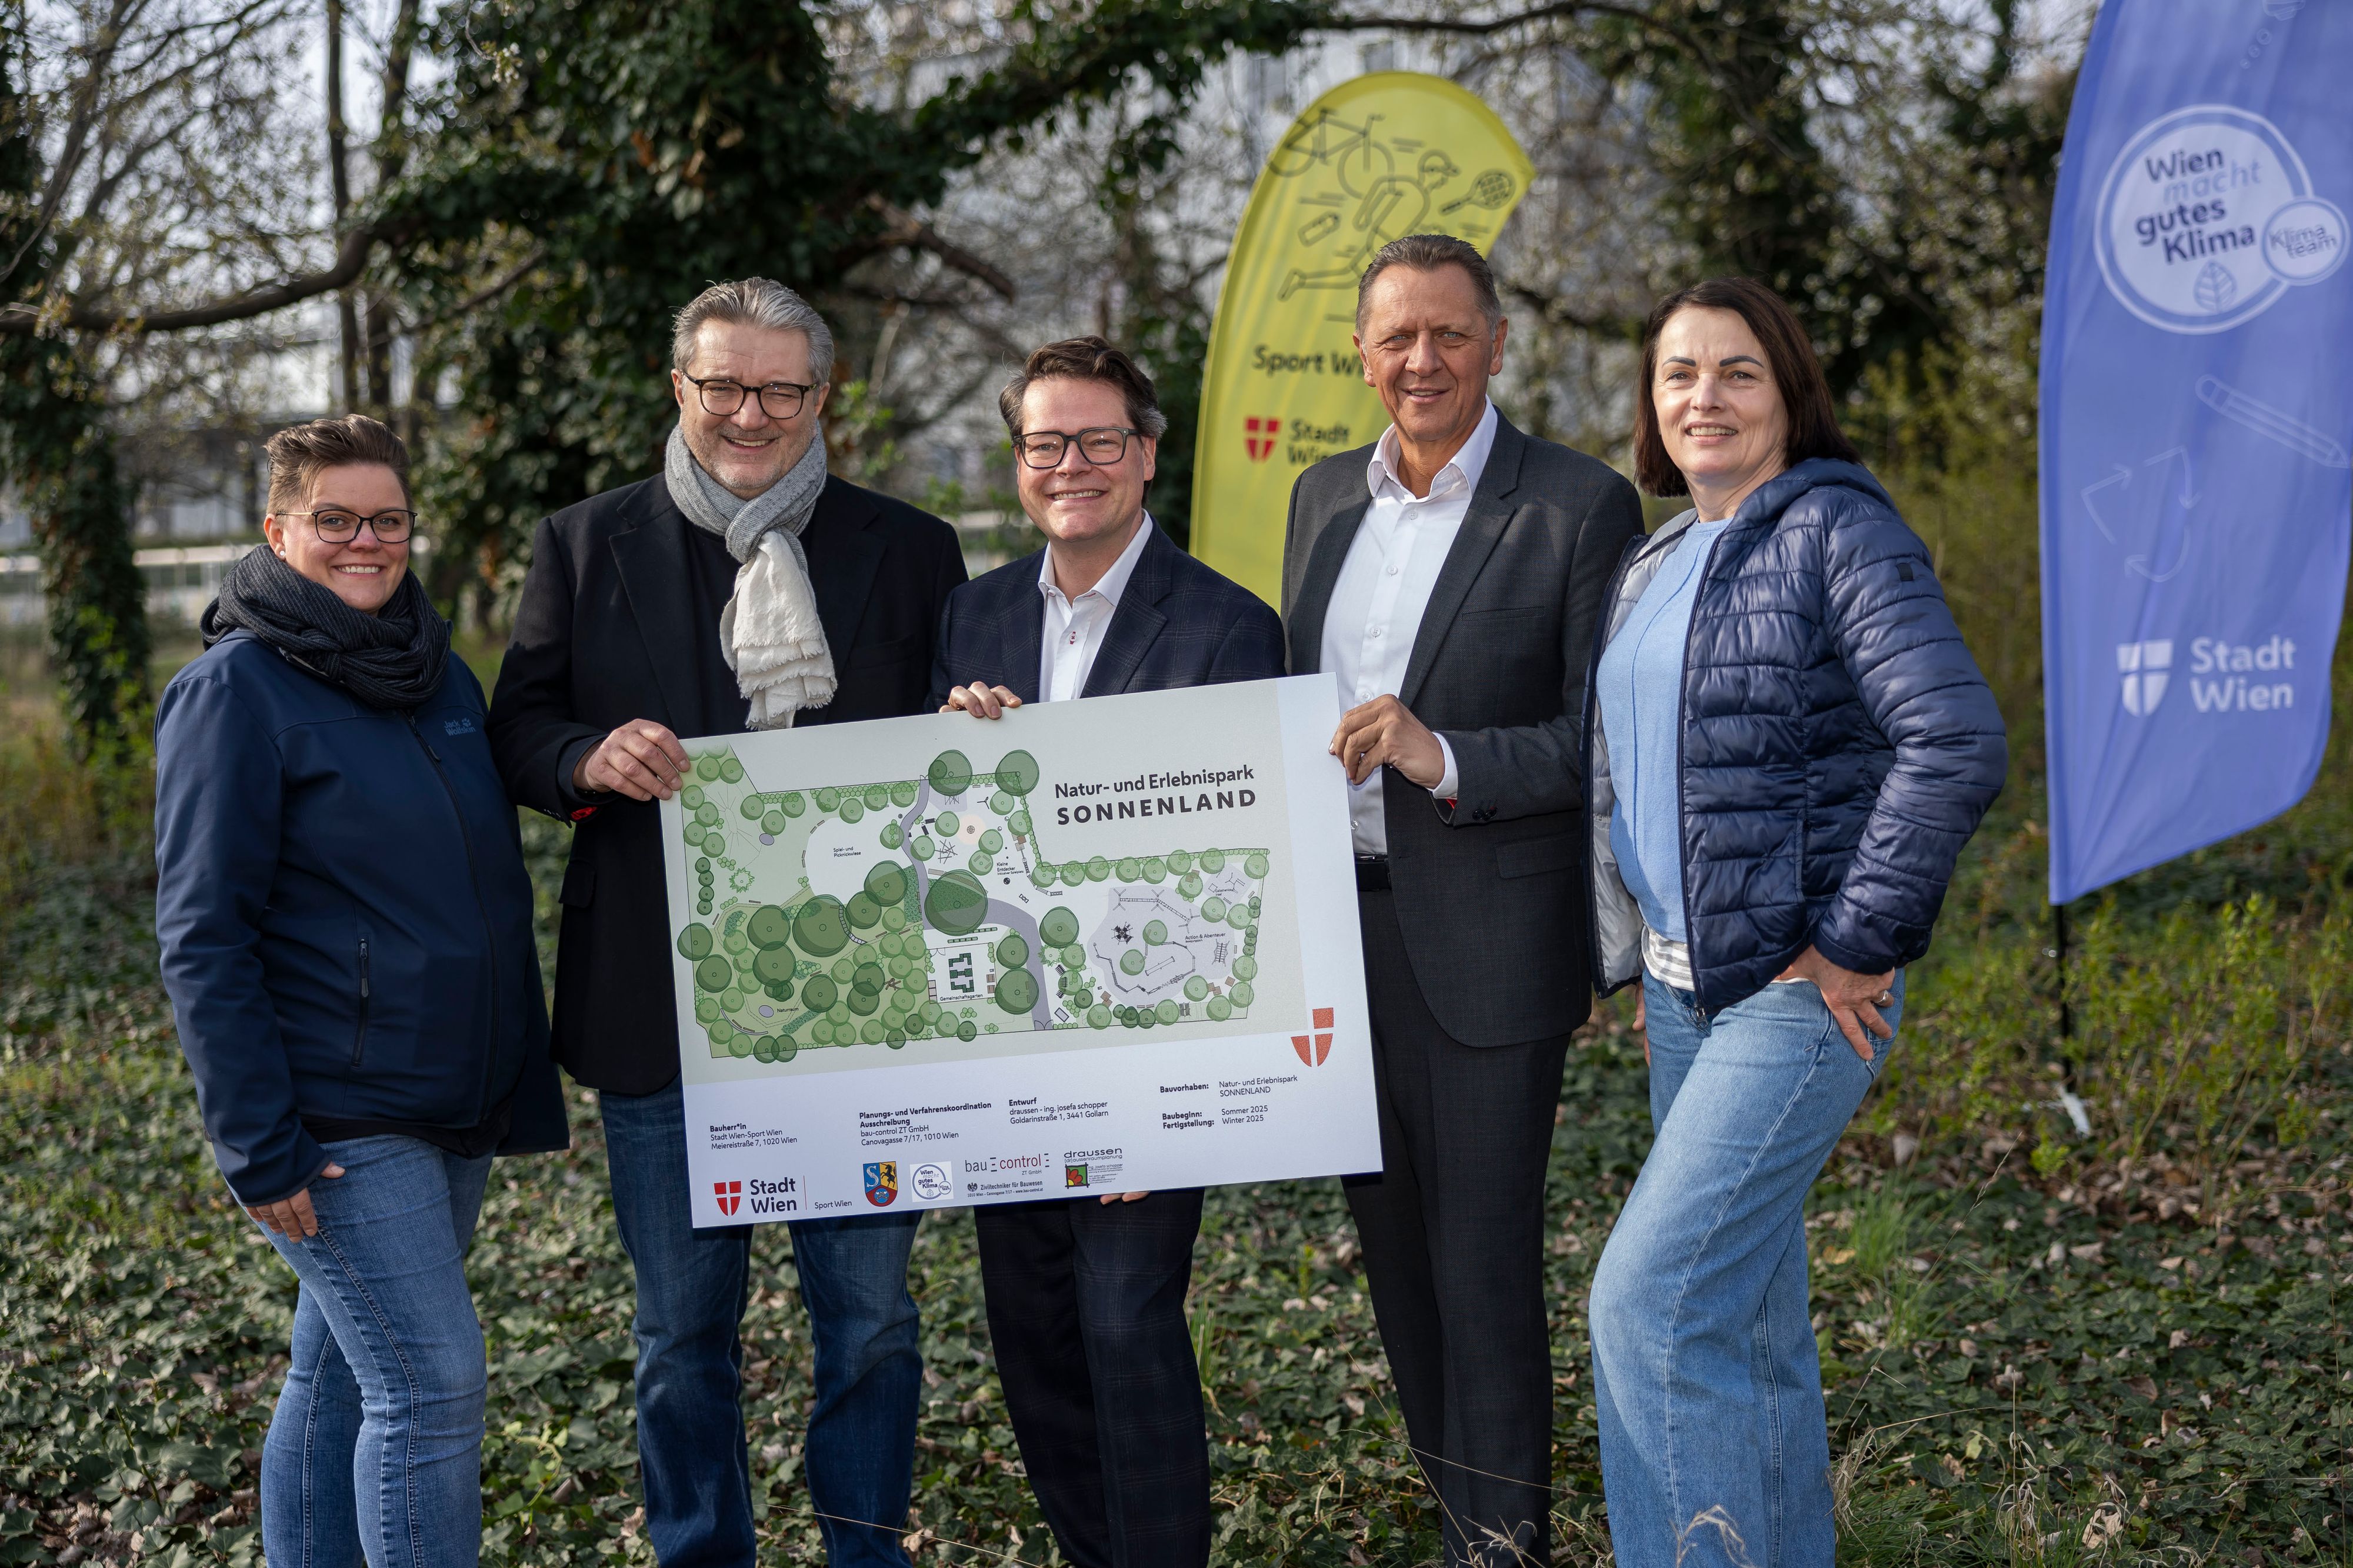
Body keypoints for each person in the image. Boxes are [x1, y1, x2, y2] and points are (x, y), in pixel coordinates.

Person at [487, 279, 966, 1568]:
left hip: (863, 1008)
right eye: (723, 386)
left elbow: (954, 736)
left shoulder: (910, 547)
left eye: (779, 389)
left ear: (822, 396)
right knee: (679, 1331)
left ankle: (864, 1549)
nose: (749, 413)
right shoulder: (584, 543)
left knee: (870, 1323)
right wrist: (586, 756)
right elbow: (517, 730)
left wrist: (973, 722)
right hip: (661, 1002)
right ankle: (702, 1550)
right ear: (679, 387)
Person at [1582, 277, 2006, 1568]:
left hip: (1794, 989)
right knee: (1747, 1327)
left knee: (1647, 1306)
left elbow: (1954, 737)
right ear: (1651, 405)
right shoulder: (1658, 557)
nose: (1702, 396)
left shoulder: (1835, 527)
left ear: (1789, 392)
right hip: (1682, 991)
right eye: (1678, 374)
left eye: (1737, 371)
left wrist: (1859, 938)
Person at [1279, 234, 1645, 1566]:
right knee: (1395, 1267)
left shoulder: (1579, 504)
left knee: (1481, 1268)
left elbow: (1599, 740)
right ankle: (1461, 1523)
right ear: (1360, 354)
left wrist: (1443, 756)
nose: (1420, 360)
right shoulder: (1322, 497)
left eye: (1447, 333)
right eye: (1396, 337)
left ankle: (1501, 1548)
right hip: (1340, 935)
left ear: (1497, 342)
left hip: (1488, 942)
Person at [153, 415, 568, 1568]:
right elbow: (202, 935)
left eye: (387, 519)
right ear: (278, 529)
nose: (365, 541)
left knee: (338, 1368)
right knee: (431, 1383)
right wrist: (257, 1141)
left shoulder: (438, 676)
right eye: (334, 519)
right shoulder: (232, 691)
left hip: (456, 1091)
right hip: (338, 1114)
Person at [928, 336, 1284, 1568]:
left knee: (1127, 1322)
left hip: (1151, 1049)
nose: (1069, 464)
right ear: (1018, 460)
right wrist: (951, 746)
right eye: (1045, 443)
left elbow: (1246, 874)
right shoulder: (971, 616)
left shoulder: (1229, 627)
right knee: (1030, 1331)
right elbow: (944, 835)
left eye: (1097, 440)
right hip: (1009, 1042)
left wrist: (1167, 1097)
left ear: (1145, 455)